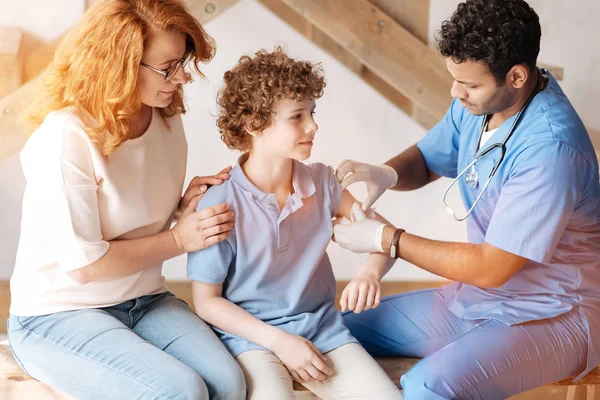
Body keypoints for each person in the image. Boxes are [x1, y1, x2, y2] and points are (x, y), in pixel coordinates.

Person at [332, 0, 600, 398]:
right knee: (338, 330)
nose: (456, 92)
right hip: (481, 297)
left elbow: (493, 267)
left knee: (426, 386)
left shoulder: (551, 149)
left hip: (555, 313)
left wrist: (387, 240)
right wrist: (385, 173)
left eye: (470, 84)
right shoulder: (479, 106)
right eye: (454, 78)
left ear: (516, 76)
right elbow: (425, 161)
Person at [7, 1, 246, 399]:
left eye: (182, 61)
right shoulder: (67, 136)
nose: (183, 76)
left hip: (144, 299)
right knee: (181, 391)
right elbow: (85, 265)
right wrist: (180, 239)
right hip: (57, 313)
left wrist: (181, 210)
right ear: (118, 65)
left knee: (228, 384)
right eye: (167, 66)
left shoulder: (166, 116)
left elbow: (131, 217)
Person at [186, 47, 403, 400]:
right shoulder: (219, 202)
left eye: (312, 113)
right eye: (297, 116)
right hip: (250, 339)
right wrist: (280, 343)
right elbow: (207, 302)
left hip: (322, 330)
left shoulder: (323, 182)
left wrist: (369, 273)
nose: (313, 125)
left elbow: (384, 236)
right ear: (254, 123)